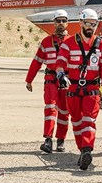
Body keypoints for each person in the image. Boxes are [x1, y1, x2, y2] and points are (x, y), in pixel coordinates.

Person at [55, 8, 102, 170]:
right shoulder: (68, 43)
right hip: (72, 88)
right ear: (80, 23)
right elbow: (60, 63)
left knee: (89, 120)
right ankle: (82, 150)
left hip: (92, 89)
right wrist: (60, 75)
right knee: (77, 122)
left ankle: (87, 148)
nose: (91, 27)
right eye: (88, 23)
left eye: (94, 24)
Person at [25, 9, 70, 153]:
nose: (61, 23)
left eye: (63, 20)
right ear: (54, 23)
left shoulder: (72, 41)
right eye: (58, 21)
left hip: (66, 81)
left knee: (64, 111)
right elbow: (36, 62)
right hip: (50, 79)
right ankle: (48, 140)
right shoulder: (46, 42)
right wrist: (29, 80)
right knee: (50, 108)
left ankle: (61, 141)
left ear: (67, 23)